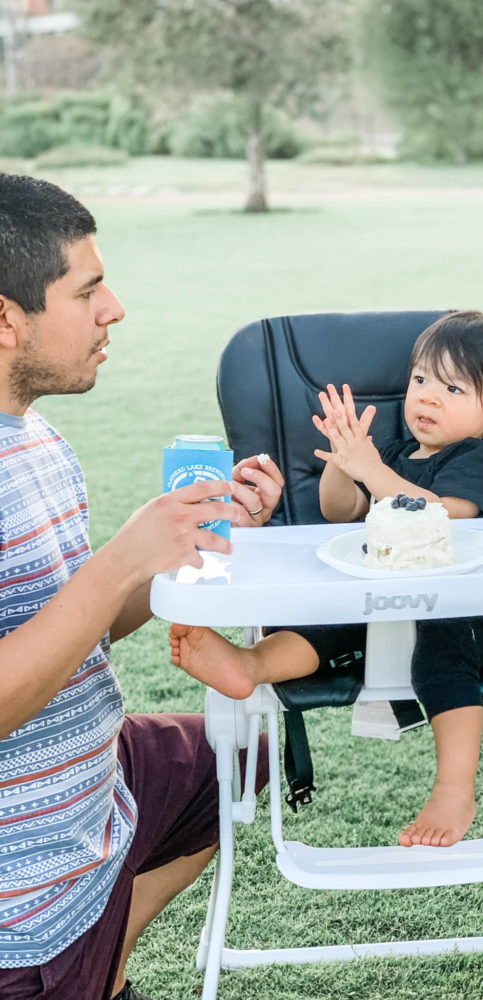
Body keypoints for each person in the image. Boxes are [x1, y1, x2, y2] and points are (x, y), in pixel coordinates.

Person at [0, 174, 284, 1000]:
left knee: (232, 757)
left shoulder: (36, 437)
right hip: (23, 906)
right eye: (86, 290)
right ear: (6, 318)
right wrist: (121, 558)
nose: (113, 308)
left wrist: (190, 542)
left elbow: (70, 622)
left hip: (98, 796)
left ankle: (108, 946)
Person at [169, 310, 483, 849]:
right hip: (374, 611)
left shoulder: (474, 459)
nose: (427, 397)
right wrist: (345, 463)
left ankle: (455, 788)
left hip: (461, 614)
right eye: (420, 380)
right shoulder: (393, 455)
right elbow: (341, 512)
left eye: (453, 387)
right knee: (320, 625)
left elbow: (439, 515)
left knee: (443, 645)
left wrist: (372, 470)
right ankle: (249, 665)